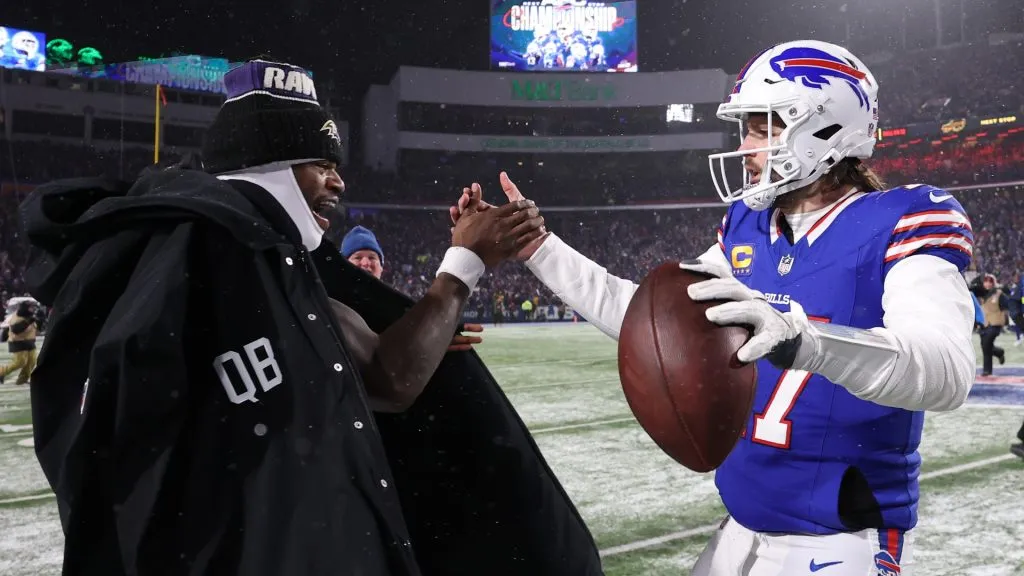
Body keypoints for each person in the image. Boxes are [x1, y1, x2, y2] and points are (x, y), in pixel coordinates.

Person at [21, 59, 601, 576]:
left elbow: (387, 377)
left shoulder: (278, 269)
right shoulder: (184, 256)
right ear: (268, 161)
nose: (339, 181)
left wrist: (460, 266)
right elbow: (122, 467)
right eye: (320, 162)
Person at [453, 40, 976, 575]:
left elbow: (946, 371)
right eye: (745, 127)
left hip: (839, 538)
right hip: (741, 529)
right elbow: (652, 322)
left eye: (762, 127)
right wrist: (538, 248)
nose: (746, 146)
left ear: (824, 127)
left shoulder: (904, 219)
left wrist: (804, 342)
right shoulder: (746, 228)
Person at [341, 224, 484, 351]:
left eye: (372, 257)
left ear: (382, 267)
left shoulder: (396, 308)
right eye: (357, 257)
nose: (366, 263)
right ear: (343, 265)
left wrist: (438, 335)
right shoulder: (329, 304)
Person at [0, 297, 40, 385]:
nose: (33, 309)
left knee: (31, 362)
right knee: (19, 362)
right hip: (18, 342)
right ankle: (1, 372)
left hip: (29, 342)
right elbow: (16, 329)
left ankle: (23, 379)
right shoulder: (17, 317)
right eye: (31, 307)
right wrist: (28, 322)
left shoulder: (29, 316)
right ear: (26, 308)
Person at [975, 273, 1008, 376]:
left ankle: (987, 371)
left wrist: (1004, 320)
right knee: (985, 346)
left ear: (994, 283)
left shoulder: (999, 293)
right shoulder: (981, 293)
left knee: (986, 345)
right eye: (986, 281)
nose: (988, 284)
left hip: (995, 324)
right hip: (984, 325)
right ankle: (999, 352)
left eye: (990, 281)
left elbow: (1007, 305)